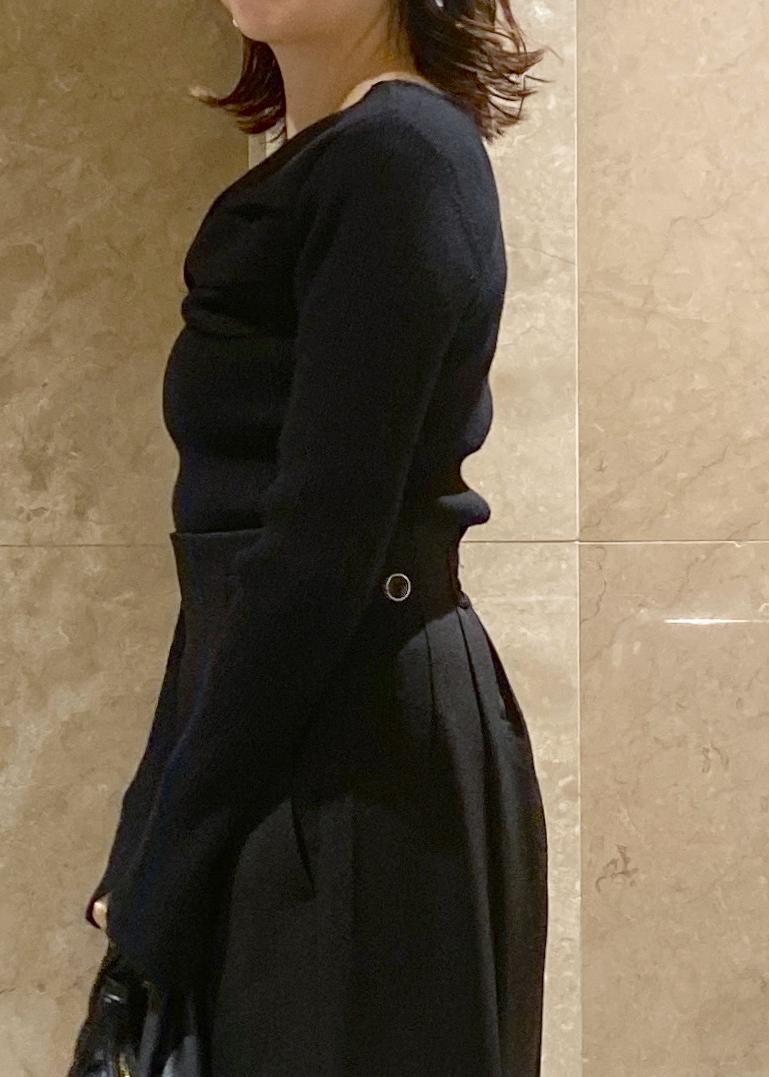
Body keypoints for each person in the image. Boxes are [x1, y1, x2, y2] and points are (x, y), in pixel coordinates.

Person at [83, 0, 550, 1073]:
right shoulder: (351, 155)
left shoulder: (397, 156)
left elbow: (313, 554)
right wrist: (150, 828)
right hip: (307, 725)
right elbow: (239, 558)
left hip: (355, 756)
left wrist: (168, 863)